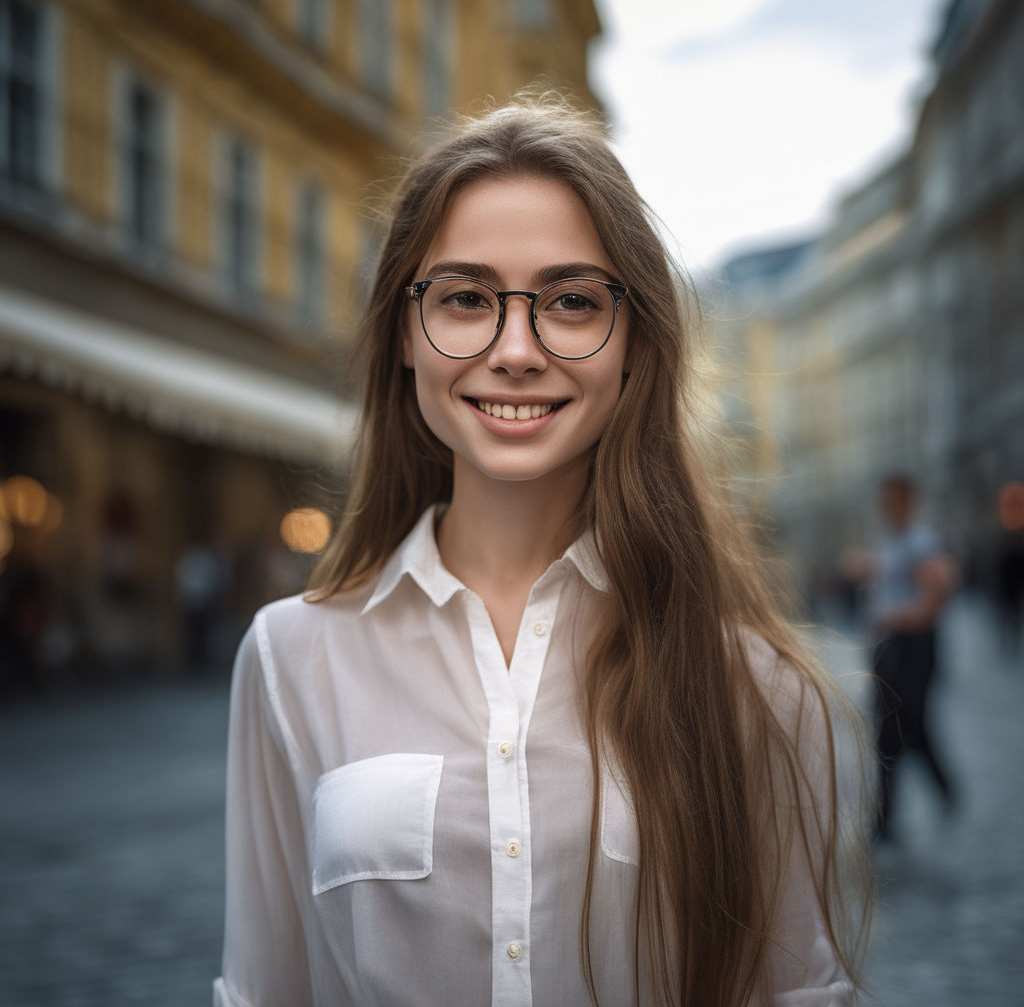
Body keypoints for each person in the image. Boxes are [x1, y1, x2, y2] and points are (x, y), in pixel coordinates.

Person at [214, 95, 871, 1007]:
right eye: (465, 298)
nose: (515, 350)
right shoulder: (291, 660)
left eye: (569, 301)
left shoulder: (755, 686)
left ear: (634, 341)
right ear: (406, 333)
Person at [868, 474, 956, 842]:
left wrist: (901, 618)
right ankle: (889, 816)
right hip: (891, 644)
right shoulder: (889, 543)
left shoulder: (921, 542)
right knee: (896, 729)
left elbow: (938, 590)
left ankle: (891, 816)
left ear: (908, 501)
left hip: (913, 645)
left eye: (895, 499)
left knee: (905, 728)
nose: (889, 507)